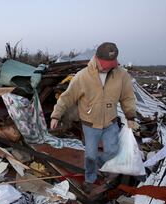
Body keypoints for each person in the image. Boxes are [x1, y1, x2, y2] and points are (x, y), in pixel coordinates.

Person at [50, 42, 137, 193]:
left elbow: (127, 97)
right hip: (90, 124)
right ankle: (90, 179)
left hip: (110, 122)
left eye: (111, 63)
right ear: (96, 58)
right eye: (105, 63)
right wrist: (56, 115)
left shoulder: (121, 75)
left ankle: (99, 165)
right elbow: (67, 97)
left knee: (113, 151)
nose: (108, 67)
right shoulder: (83, 76)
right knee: (90, 155)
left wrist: (130, 116)